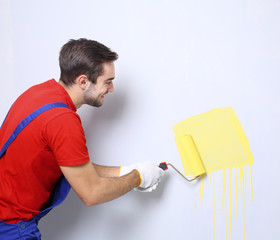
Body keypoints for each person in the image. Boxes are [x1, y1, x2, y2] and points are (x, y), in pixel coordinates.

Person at [0, 38, 164, 239]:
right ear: (83, 81)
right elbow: (92, 193)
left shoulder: (38, 93)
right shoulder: (63, 121)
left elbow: (70, 163)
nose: (111, 89)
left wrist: (123, 171)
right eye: (108, 81)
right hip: (12, 226)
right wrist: (138, 177)